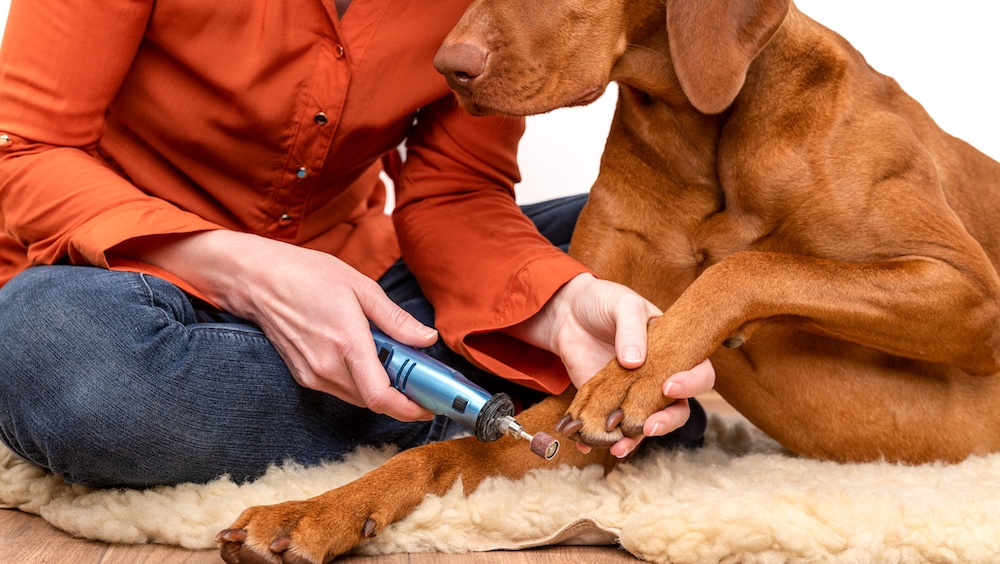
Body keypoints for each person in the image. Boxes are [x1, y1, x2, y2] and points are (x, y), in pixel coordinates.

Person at [0, 0, 715, 489]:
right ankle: (489, 409)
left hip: (365, 295)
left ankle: (470, 392)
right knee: (54, 352)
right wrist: (248, 270)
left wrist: (560, 304)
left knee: (659, 241)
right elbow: (21, 151)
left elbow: (455, 193)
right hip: (125, 285)